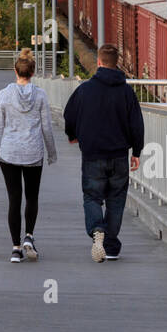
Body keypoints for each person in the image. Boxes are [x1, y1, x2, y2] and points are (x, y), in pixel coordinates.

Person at [63, 43, 145, 263]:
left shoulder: (85, 89)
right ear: (116, 63)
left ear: (99, 62)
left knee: (92, 196)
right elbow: (136, 123)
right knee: (116, 200)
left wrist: (72, 134)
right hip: (119, 155)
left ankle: (97, 229)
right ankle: (110, 246)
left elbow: (69, 114)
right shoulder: (127, 91)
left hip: (93, 155)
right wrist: (136, 151)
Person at [0, 49, 56, 262]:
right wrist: (51, 153)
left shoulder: (4, 95)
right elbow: (46, 128)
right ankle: (29, 236)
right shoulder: (41, 95)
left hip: (8, 154)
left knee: (14, 199)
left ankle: (16, 248)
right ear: (33, 72)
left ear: (14, 71)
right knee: (32, 197)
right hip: (33, 153)